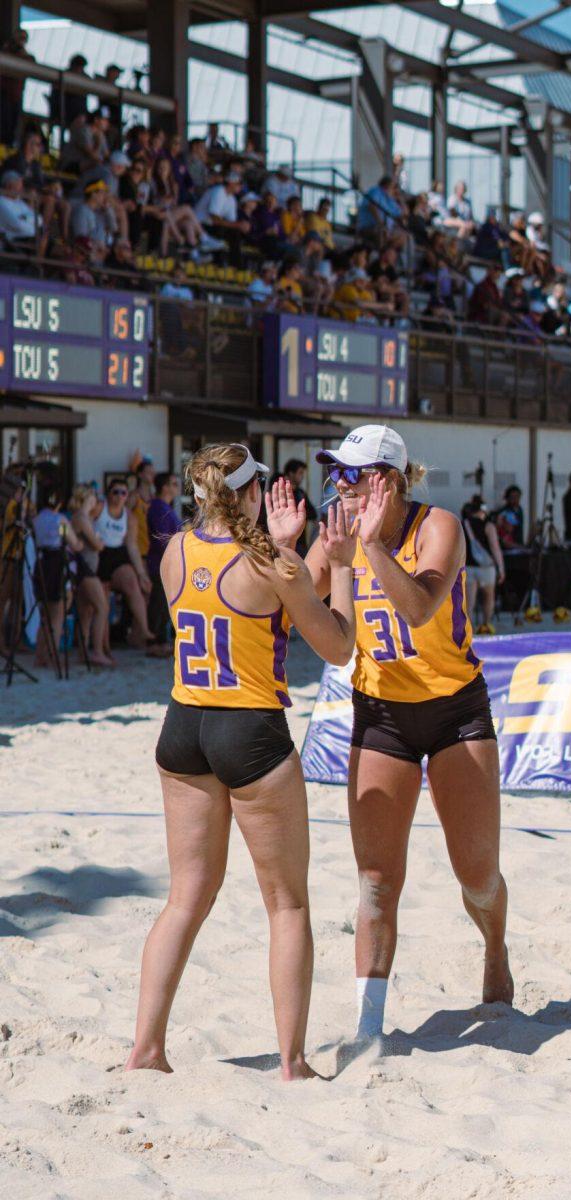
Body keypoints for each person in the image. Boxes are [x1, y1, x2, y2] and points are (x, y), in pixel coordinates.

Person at [127, 443, 368, 1080]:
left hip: (184, 728)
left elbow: (247, 587)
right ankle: (291, 1062)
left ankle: (145, 1050)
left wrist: (284, 549)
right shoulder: (272, 564)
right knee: (287, 905)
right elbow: (338, 645)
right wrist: (336, 563)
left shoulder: (174, 551)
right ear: (252, 493)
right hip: (250, 731)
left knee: (185, 899)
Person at [268, 425, 514, 1040]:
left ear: (391, 481)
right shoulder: (341, 528)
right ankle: (369, 1029)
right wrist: (286, 554)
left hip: (455, 708)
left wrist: (370, 549)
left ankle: (495, 949)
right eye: (337, 476)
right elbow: (295, 601)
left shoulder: (440, 527)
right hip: (380, 712)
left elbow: (419, 607)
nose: (340, 487)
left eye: (353, 476)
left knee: (477, 874)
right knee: (377, 880)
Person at [95, 478, 154, 648]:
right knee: (102, 604)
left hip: (118, 554)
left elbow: (132, 546)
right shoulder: (100, 507)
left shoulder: (129, 516)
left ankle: (144, 629)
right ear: (108, 494)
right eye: (116, 492)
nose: (120, 496)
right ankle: (102, 648)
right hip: (99, 553)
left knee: (133, 585)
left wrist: (141, 573)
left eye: (123, 492)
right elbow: (83, 521)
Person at [32, 489, 82, 669]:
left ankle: (40, 656)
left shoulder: (36, 519)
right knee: (58, 613)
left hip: (41, 563)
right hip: (56, 564)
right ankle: (53, 656)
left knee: (45, 613)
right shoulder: (59, 519)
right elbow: (73, 543)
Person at [69, 484, 114, 667]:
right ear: (89, 498)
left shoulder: (85, 517)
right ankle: (96, 651)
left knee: (86, 612)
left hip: (86, 569)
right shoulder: (81, 517)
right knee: (102, 608)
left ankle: (83, 653)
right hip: (85, 569)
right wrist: (100, 542)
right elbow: (97, 545)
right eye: (94, 496)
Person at [145, 472, 182, 656]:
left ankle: (160, 639)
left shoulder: (165, 507)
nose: (177, 487)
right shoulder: (158, 507)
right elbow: (162, 538)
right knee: (158, 602)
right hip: (160, 562)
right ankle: (154, 641)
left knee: (164, 602)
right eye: (174, 483)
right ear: (165, 487)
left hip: (168, 561)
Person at [462, 498, 505, 634]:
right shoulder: (489, 526)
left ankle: (469, 630)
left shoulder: (463, 524)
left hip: (468, 567)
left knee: (469, 602)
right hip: (487, 569)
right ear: (482, 511)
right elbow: (495, 547)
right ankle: (486, 625)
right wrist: (501, 568)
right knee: (488, 597)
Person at [0, 170, 38, 252]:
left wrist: (25, 218)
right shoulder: (1, 202)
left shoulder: (19, 202)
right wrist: (33, 227)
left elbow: (39, 219)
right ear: (9, 185)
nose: (22, 187)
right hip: (10, 242)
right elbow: (17, 225)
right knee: (42, 238)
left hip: (26, 237)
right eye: (19, 184)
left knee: (45, 237)